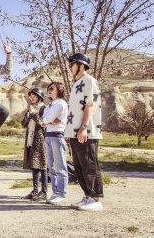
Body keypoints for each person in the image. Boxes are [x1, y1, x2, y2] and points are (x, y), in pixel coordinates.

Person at [65, 53, 103, 211]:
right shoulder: (76, 83)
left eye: (72, 64)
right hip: (75, 132)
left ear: (81, 65)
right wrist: (69, 132)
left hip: (86, 131)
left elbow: (90, 105)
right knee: (79, 166)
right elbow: (74, 110)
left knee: (89, 165)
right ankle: (87, 196)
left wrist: (83, 127)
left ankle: (95, 199)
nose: (69, 67)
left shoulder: (89, 80)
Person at [42, 82, 69, 205]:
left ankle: (62, 194)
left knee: (60, 166)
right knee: (51, 167)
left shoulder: (61, 103)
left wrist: (49, 121)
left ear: (59, 90)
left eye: (52, 88)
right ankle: (55, 192)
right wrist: (49, 121)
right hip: (48, 135)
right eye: (48, 88)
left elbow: (48, 119)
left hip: (58, 136)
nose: (49, 90)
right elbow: (43, 120)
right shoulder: (49, 105)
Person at [21, 88, 47, 201]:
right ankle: (35, 190)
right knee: (34, 166)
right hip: (30, 139)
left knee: (42, 166)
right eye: (30, 96)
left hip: (40, 139)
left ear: (39, 97)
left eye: (33, 96)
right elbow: (23, 123)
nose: (31, 98)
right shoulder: (31, 108)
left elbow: (42, 123)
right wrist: (28, 114)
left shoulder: (44, 108)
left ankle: (44, 191)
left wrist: (33, 113)